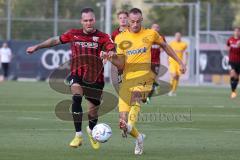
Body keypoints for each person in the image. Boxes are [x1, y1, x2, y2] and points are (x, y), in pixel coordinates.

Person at [26, 8, 115, 149]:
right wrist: (37, 47)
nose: (88, 23)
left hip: (95, 78)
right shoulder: (73, 34)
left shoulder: (103, 36)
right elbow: (55, 40)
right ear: (81, 21)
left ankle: (92, 131)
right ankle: (78, 135)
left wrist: (109, 53)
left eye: (91, 20)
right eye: (85, 20)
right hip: (77, 74)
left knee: (93, 112)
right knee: (77, 97)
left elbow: (112, 47)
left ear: (94, 20)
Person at [102, 8, 186, 155]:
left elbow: (165, 46)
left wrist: (180, 62)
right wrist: (110, 57)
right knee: (122, 122)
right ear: (128, 21)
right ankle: (139, 138)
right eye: (132, 21)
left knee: (136, 97)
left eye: (138, 21)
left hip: (145, 76)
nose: (135, 24)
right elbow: (121, 64)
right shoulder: (120, 38)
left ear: (142, 20)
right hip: (127, 79)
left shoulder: (150, 33)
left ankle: (130, 126)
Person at [146, 23, 166, 103]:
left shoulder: (161, 38)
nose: (155, 28)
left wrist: (161, 48)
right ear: (151, 28)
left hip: (156, 62)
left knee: (152, 79)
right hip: (147, 61)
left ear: (159, 29)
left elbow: (164, 47)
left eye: (157, 27)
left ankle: (148, 97)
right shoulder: (147, 37)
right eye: (154, 27)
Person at [168, 32, 188, 96]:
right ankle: (170, 89)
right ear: (175, 36)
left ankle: (173, 91)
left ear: (181, 36)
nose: (178, 37)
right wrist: (167, 60)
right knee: (173, 75)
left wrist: (185, 62)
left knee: (177, 77)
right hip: (172, 61)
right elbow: (168, 52)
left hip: (179, 63)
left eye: (179, 36)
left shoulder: (184, 44)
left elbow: (187, 53)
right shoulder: (171, 43)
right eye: (177, 36)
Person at [111, 11, 129, 84]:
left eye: (125, 18)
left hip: (132, 62)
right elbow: (112, 47)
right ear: (118, 20)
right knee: (122, 86)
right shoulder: (115, 34)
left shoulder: (133, 31)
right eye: (120, 18)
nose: (123, 20)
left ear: (128, 19)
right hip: (120, 64)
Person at [227, 27, 240, 99]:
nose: (236, 32)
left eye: (238, 31)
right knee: (232, 75)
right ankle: (233, 92)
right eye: (235, 31)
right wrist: (228, 55)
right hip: (232, 61)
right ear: (234, 32)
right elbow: (228, 47)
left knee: (236, 78)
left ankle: (234, 91)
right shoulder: (230, 40)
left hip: (239, 61)